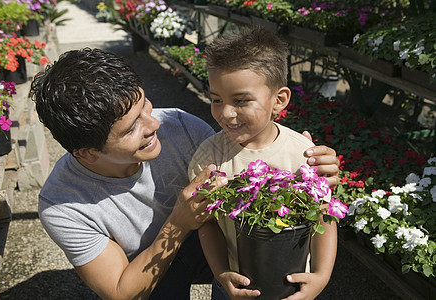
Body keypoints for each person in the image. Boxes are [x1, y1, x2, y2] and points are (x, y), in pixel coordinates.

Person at [30, 47, 339, 299]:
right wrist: (179, 223)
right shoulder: (63, 205)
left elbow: (252, 158)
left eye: (145, 106)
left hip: (219, 237)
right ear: (87, 152)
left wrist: (311, 168)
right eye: (131, 129)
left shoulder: (180, 126)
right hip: (150, 258)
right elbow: (121, 292)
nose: (153, 125)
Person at [188, 27, 337, 300]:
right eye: (216, 99)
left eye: (241, 100)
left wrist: (321, 276)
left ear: (279, 100)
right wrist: (221, 273)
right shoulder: (208, 160)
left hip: (292, 285)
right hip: (235, 287)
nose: (225, 113)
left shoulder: (304, 154)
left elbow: (324, 216)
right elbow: (206, 224)